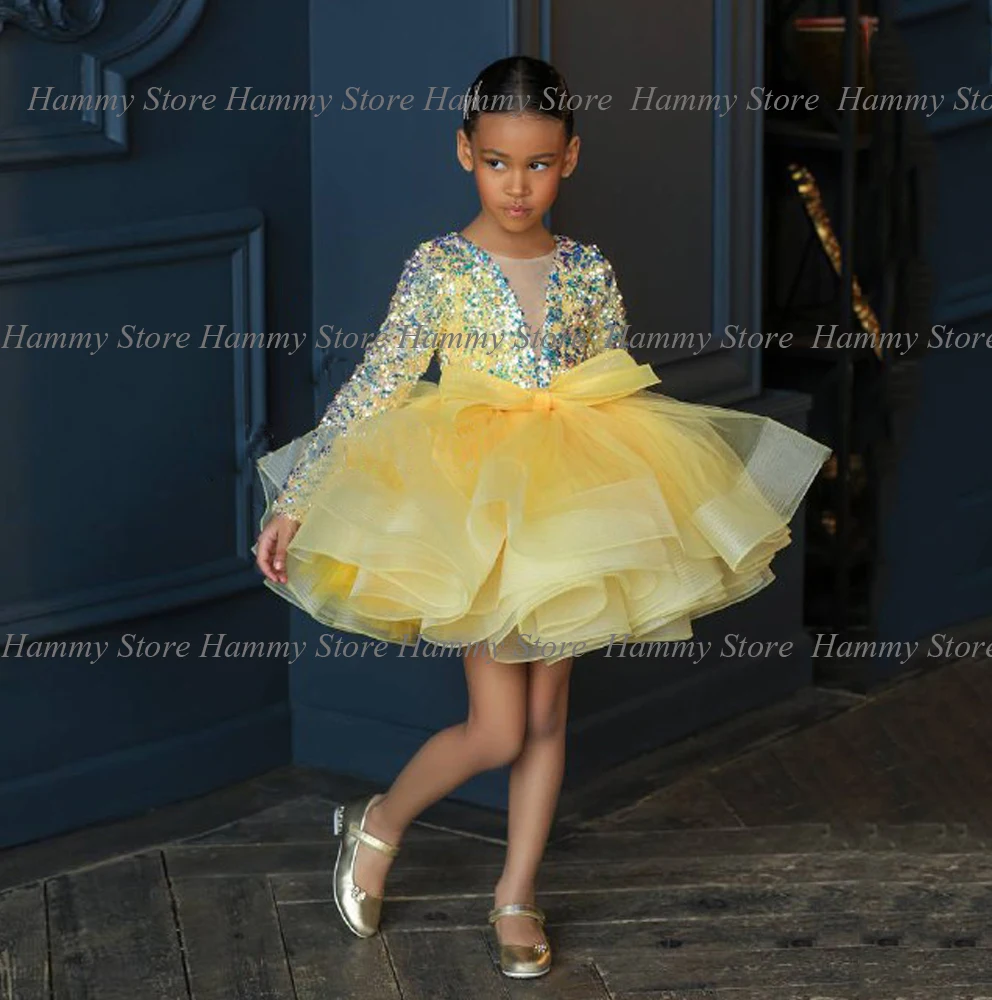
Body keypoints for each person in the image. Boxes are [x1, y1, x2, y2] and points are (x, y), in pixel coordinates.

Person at [253, 55, 831, 978]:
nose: (516, 187)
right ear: (464, 153)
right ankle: (380, 822)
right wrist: (296, 499)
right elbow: (376, 386)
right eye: (495, 163)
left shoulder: (587, 269)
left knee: (550, 717)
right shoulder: (441, 268)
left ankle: (515, 894)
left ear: (570, 158)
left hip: (568, 497)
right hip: (481, 505)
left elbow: (614, 378)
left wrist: (631, 489)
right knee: (498, 728)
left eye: (537, 165)